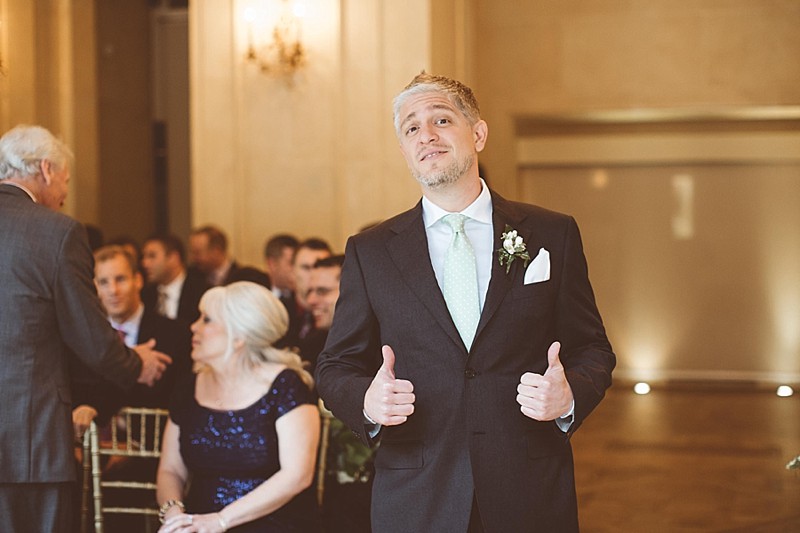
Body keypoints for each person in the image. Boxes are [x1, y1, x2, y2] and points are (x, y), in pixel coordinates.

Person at [315, 73, 615, 532]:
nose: (426, 135)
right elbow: (335, 365)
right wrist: (369, 403)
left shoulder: (553, 233)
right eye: (411, 128)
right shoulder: (370, 250)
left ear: (478, 133)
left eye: (441, 119)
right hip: (417, 495)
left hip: (528, 488)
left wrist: (570, 393)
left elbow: (593, 347)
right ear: (403, 149)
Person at [0, 124, 171, 532]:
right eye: (65, 180)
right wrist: (136, 363)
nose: (63, 193)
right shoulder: (57, 232)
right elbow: (91, 338)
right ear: (45, 168)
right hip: (31, 441)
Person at [156, 282, 321, 533]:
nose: (194, 326)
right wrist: (174, 514)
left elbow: (297, 475)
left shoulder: (286, 385)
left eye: (207, 320)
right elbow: (171, 470)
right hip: (199, 525)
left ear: (239, 337)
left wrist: (221, 520)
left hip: (276, 524)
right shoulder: (188, 388)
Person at [71, 245, 192, 431]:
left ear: (138, 280)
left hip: (152, 452)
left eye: (120, 279)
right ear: (94, 288)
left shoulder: (175, 334)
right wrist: (131, 360)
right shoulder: (82, 339)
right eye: (103, 282)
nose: (113, 290)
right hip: (96, 453)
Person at [141, 232, 211, 327]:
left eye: (152, 256)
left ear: (173, 258)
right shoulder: (144, 296)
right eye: (144, 257)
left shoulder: (202, 292)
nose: (145, 263)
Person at [298, 255, 345, 374]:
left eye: (322, 291)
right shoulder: (311, 346)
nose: (310, 300)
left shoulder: (380, 346)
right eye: (310, 291)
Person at [188, 225, 271, 288]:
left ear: (217, 251)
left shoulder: (245, 279)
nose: (192, 258)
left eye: (197, 253)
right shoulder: (190, 278)